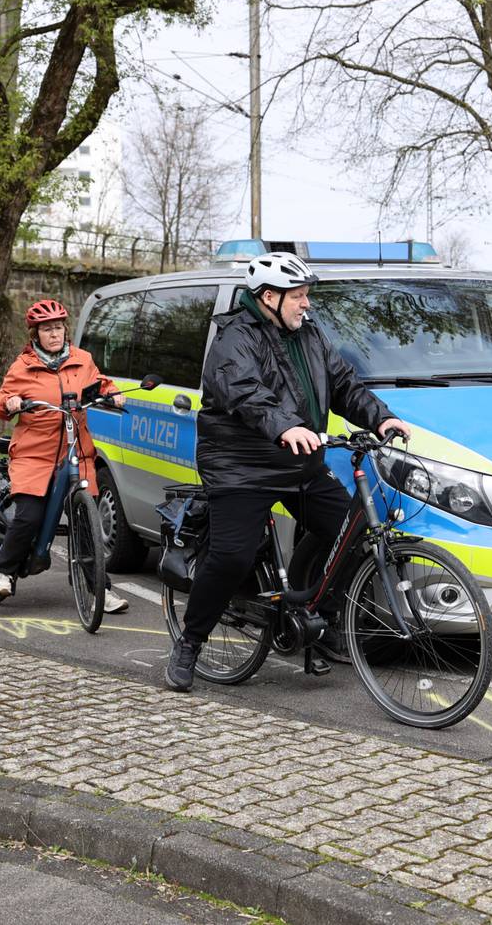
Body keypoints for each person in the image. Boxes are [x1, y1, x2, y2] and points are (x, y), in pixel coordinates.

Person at [164, 252, 411, 692]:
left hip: (300, 461)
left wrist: (380, 417)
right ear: (269, 297)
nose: (306, 304)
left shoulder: (309, 335)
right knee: (232, 556)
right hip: (242, 466)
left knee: (351, 530)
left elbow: (343, 385)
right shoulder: (234, 338)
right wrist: (287, 427)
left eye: (306, 295)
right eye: (298, 296)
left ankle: (315, 610)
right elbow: (245, 392)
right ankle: (190, 642)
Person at [0, 298, 130, 614]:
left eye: (58, 327)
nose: (54, 334)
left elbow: (100, 384)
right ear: (35, 334)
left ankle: (99, 593)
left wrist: (114, 394)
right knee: (30, 515)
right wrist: (11, 403)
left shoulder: (82, 360)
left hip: (76, 450)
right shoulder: (22, 366)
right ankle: (4, 571)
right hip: (34, 453)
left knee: (85, 522)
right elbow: (0, 401)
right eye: (46, 329)